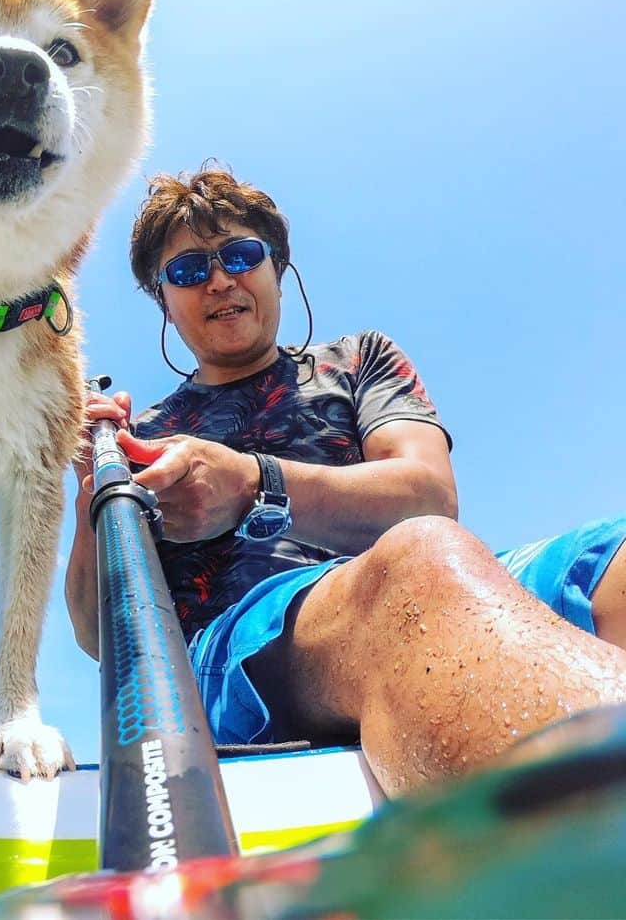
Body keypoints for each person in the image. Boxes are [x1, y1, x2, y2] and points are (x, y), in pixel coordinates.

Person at [64, 165, 626, 796]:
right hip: (240, 651)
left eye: (241, 255)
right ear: (163, 300)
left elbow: (430, 496)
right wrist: (95, 487)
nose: (220, 279)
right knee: (415, 567)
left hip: (441, 579)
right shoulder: (145, 435)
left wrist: (254, 483)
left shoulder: (361, 360)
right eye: (189, 271)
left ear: (278, 267)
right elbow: (96, 632)